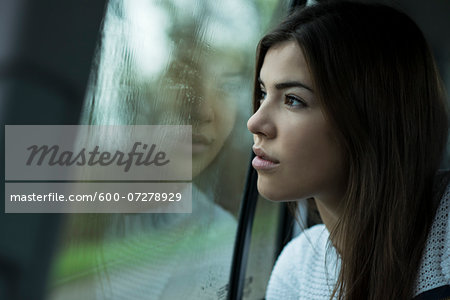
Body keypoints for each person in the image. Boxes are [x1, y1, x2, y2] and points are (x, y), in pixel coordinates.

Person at [247, 1, 449, 299]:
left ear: (372, 115)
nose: (255, 122)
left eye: (293, 100)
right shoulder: (296, 269)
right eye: (263, 93)